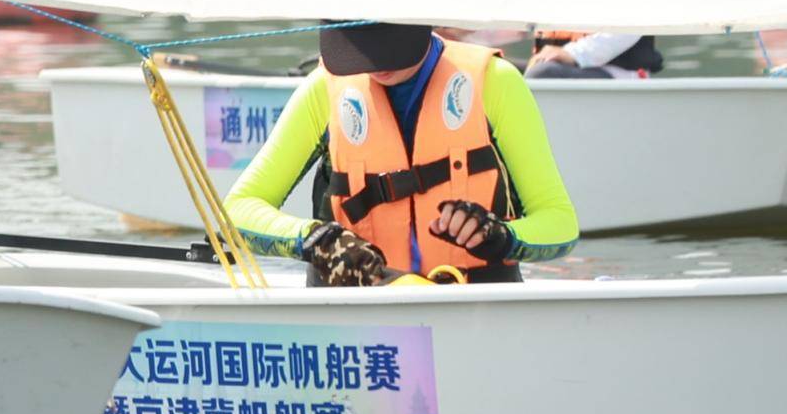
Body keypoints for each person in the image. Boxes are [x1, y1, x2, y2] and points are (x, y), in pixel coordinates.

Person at [220, 22, 581, 286]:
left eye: (387, 47)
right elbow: (237, 210)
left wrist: (500, 236)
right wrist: (316, 240)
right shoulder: (322, 90)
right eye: (358, 50)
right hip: (360, 322)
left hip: (473, 313)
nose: (375, 64)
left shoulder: (496, 83)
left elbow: (559, 222)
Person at [524, 28, 661, 80]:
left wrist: (572, 53)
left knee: (541, 74)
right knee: (504, 71)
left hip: (618, 73)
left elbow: (631, 27)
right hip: (561, 68)